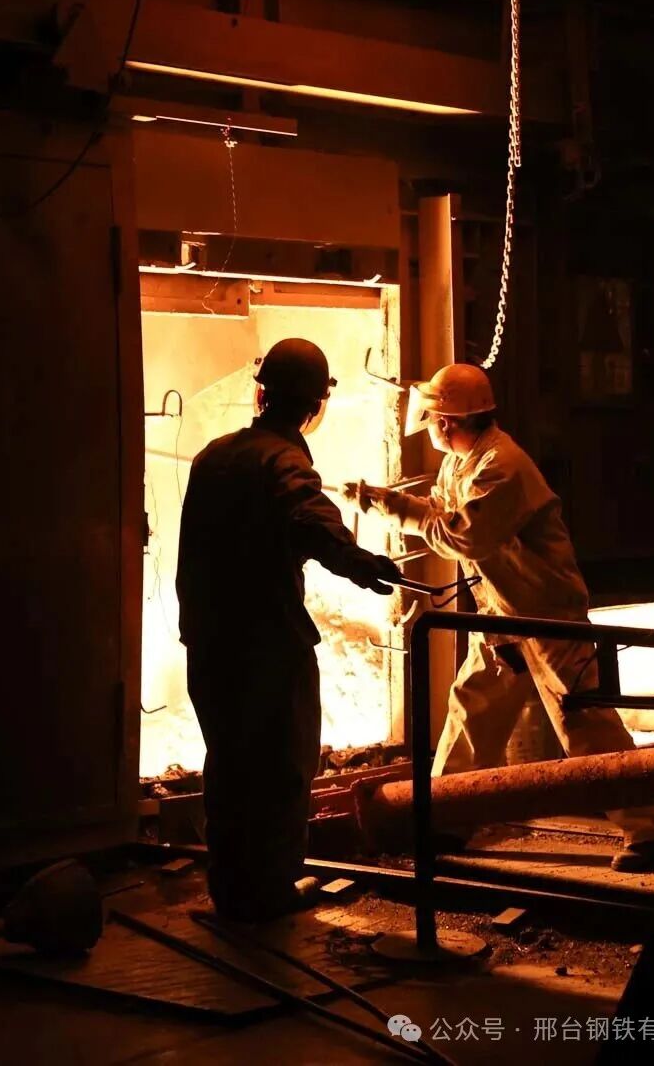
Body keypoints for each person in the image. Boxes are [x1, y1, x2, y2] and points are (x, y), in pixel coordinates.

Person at [343, 363, 654, 872]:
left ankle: (650, 830)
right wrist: (381, 500)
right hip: (503, 614)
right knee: (472, 709)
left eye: (432, 419)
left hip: (547, 618)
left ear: (447, 421)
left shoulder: (502, 466)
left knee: (586, 724)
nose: (429, 427)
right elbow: (441, 510)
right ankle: (444, 820)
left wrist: (389, 509)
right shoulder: (461, 463)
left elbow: (463, 535)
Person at [177, 338, 402, 920]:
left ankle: (231, 891)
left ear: (261, 393)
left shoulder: (211, 456)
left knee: (229, 765)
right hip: (267, 645)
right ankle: (271, 892)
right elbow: (307, 515)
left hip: (209, 642)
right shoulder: (283, 460)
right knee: (283, 768)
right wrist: (359, 562)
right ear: (315, 406)